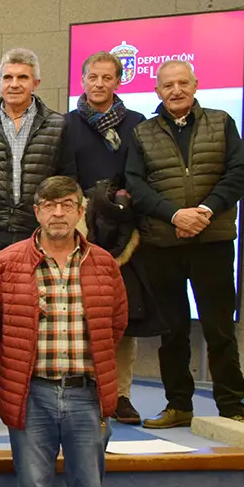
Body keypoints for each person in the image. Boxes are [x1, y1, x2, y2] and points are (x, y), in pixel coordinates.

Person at [0, 176, 126, 487]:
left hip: (86, 396)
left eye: (66, 205)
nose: (58, 212)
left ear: (81, 211)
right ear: (37, 211)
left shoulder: (104, 264)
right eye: (49, 205)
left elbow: (116, 323)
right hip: (32, 395)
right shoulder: (5, 264)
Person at [124, 59, 244, 428]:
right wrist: (175, 215)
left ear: (195, 85)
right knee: (173, 330)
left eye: (182, 83)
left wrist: (204, 211)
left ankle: (232, 408)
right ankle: (178, 405)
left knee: (219, 329)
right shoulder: (142, 133)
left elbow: (239, 172)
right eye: (167, 85)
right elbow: (136, 184)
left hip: (212, 242)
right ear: (157, 91)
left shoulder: (222, 122)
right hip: (163, 244)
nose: (175, 90)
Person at [0, 48, 75, 427]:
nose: (14, 84)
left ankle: (30, 396)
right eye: (8, 77)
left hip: (35, 236)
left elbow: (67, 181)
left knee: (28, 320)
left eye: (22, 78)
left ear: (36, 83)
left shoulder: (58, 125)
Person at [63, 52, 147, 425]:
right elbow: (62, 175)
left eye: (107, 77)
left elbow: (143, 173)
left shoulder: (137, 123)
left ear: (119, 81)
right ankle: (82, 388)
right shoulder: (66, 124)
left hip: (125, 231)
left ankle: (121, 393)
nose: (99, 83)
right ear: (82, 80)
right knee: (80, 311)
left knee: (119, 316)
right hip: (78, 227)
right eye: (92, 77)